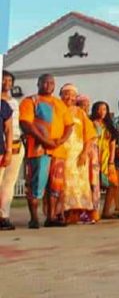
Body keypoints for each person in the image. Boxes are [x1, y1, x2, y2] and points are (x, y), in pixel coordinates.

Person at [19, 74, 74, 228]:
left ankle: (51, 217)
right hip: (39, 149)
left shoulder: (59, 103)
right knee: (36, 185)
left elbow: (69, 125)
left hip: (58, 150)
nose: (49, 85)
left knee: (55, 187)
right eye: (45, 82)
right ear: (38, 83)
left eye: (52, 82)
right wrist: (45, 141)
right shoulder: (30, 101)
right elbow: (26, 124)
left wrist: (61, 140)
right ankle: (34, 218)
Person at [57, 85, 98, 224]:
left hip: (78, 155)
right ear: (60, 95)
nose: (69, 97)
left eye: (72, 94)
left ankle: (80, 213)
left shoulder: (80, 113)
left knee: (80, 185)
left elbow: (90, 135)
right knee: (62, 184)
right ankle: (61, 213)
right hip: (60, 153)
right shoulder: (56, 109)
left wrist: (85, 153)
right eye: (66, 94)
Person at [0, 71, 22, 230]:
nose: (7, 82)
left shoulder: (13, 102)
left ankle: (4, 215)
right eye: (3, 79)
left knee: (9, 182)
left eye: (9, 80)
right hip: (3, 146)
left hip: (16, 143)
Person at [91, 101, 119, 219]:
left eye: (104, 109)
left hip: (106, 158)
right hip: (94, 157)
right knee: (94, 186)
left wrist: (111, 161)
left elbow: (112, 143)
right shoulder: (91, 123)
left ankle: (106, 211)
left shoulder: (109, 125)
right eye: (99, 109)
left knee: (113, 184)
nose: (101, 112)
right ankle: (93, 212)